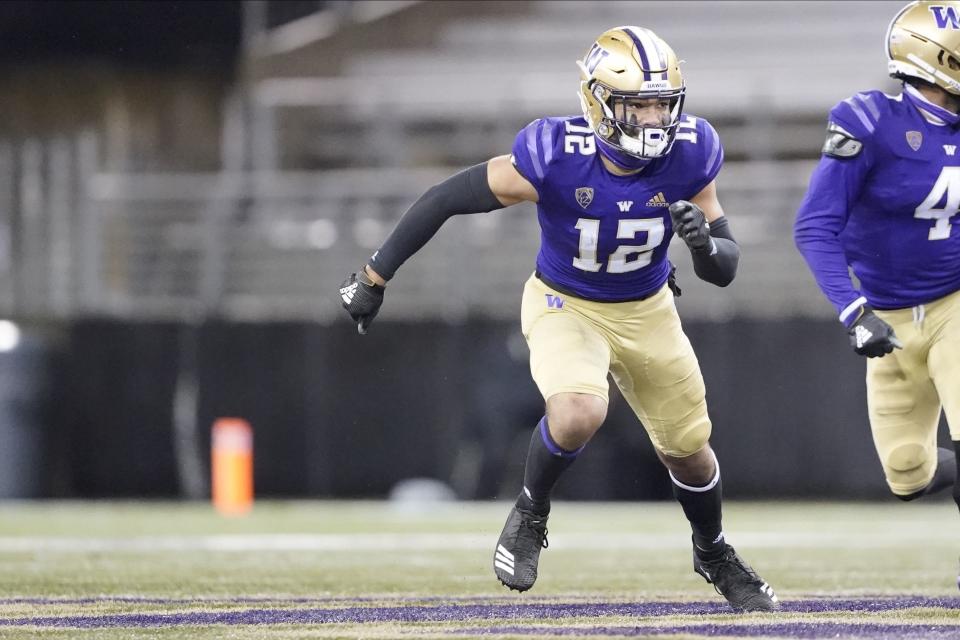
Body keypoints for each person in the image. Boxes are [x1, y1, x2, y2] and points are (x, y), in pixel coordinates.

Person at [340, 25, 779, 612]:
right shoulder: (553, 155)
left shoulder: (693, 150)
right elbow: (446, 197)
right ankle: (530, 512)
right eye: (636, 104)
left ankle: (714, 552)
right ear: (598, 103)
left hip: (648, 309)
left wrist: (703, 245)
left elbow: (723, 270)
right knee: (578, 409)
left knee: (690, 450)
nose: (652, 120)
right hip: (564, 302)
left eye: (660, 104)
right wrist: (374, 276)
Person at [794, 0, 960, 585]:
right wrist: (853, 308)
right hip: (889, 317)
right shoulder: (869, 121)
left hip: (954, 304)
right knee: (906, 474)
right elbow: (814, 226)